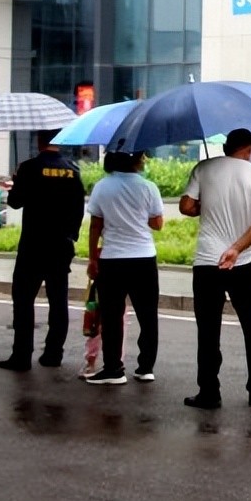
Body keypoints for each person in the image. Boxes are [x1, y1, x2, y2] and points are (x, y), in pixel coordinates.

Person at [180, 129, 251, 409]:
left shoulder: (204, 167)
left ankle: (209, 391)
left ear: (225, 147)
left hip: (208, 262)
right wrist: (237, 248)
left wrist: (203, 204)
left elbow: (185, 206)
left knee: (208, 330)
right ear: (247, 149)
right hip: (244, 263)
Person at [0, 130, 86, 372]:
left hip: (33, 245)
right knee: (58, 301)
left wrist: (16, 182)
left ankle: (21, 355)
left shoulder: (29, 168)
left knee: (24, 299)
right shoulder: (72, 170)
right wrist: (71, 236)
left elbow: (15, 202)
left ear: (39, 141)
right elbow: (79, 207)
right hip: (61, 245)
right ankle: (53, 353)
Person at [85, 151, 163, 386]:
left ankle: (113, 369)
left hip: (113, 259)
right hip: (144, 258)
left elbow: (95, 226)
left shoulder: (102, 187)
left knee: (112, 316)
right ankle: (146, 367)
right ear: (135, 161)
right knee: (147, 315)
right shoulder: (149, 187)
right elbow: (157, 224)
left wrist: (92, 259)